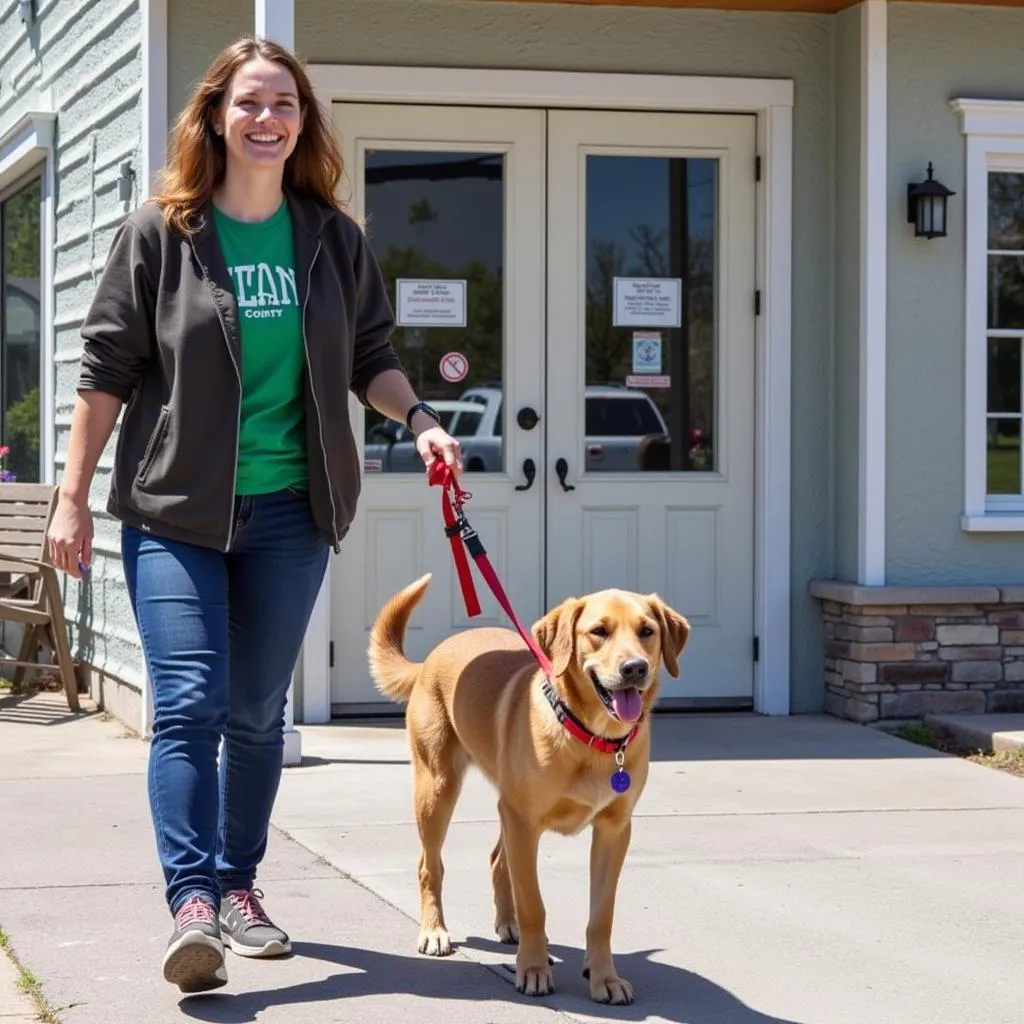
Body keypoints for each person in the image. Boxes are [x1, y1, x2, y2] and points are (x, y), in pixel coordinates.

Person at [46, 35, 463, 995]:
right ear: (216, 118)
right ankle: (191, 905)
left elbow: (372, 356)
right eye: (249, 103)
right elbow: (106, 371)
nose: (267, 119)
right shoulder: (164, 232)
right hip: (176, 511)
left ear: (303, 122)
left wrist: (423, 416)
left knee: (256, 714)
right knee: (188, 704)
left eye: (284, 104)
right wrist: (71, 497)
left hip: (291, 513)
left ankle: (240, 887)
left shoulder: (330, 238)